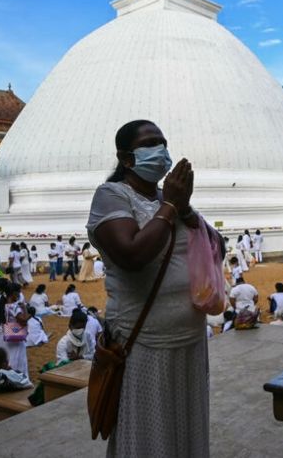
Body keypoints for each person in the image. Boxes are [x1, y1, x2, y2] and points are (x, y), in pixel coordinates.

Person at [87, 119, 210, 457]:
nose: (162, 151)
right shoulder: (111, 195)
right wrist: (170, 207)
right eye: (151, 143)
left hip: (188, 339)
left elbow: (215, 249)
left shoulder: (170, 200)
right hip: (143, 343)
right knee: (148, 435)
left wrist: (182, 208)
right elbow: (132, 254)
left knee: (185, 428)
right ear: (127, 159)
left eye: (164, 142)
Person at [0, 283, 28, 374]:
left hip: (7, 334)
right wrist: (25, 309)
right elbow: (23, 321)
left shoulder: (4, 305)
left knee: (9, 357)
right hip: (16, 337)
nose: (20, 294)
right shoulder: (14, 306)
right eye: (19, 292)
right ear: (14, 293)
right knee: (17, 359)